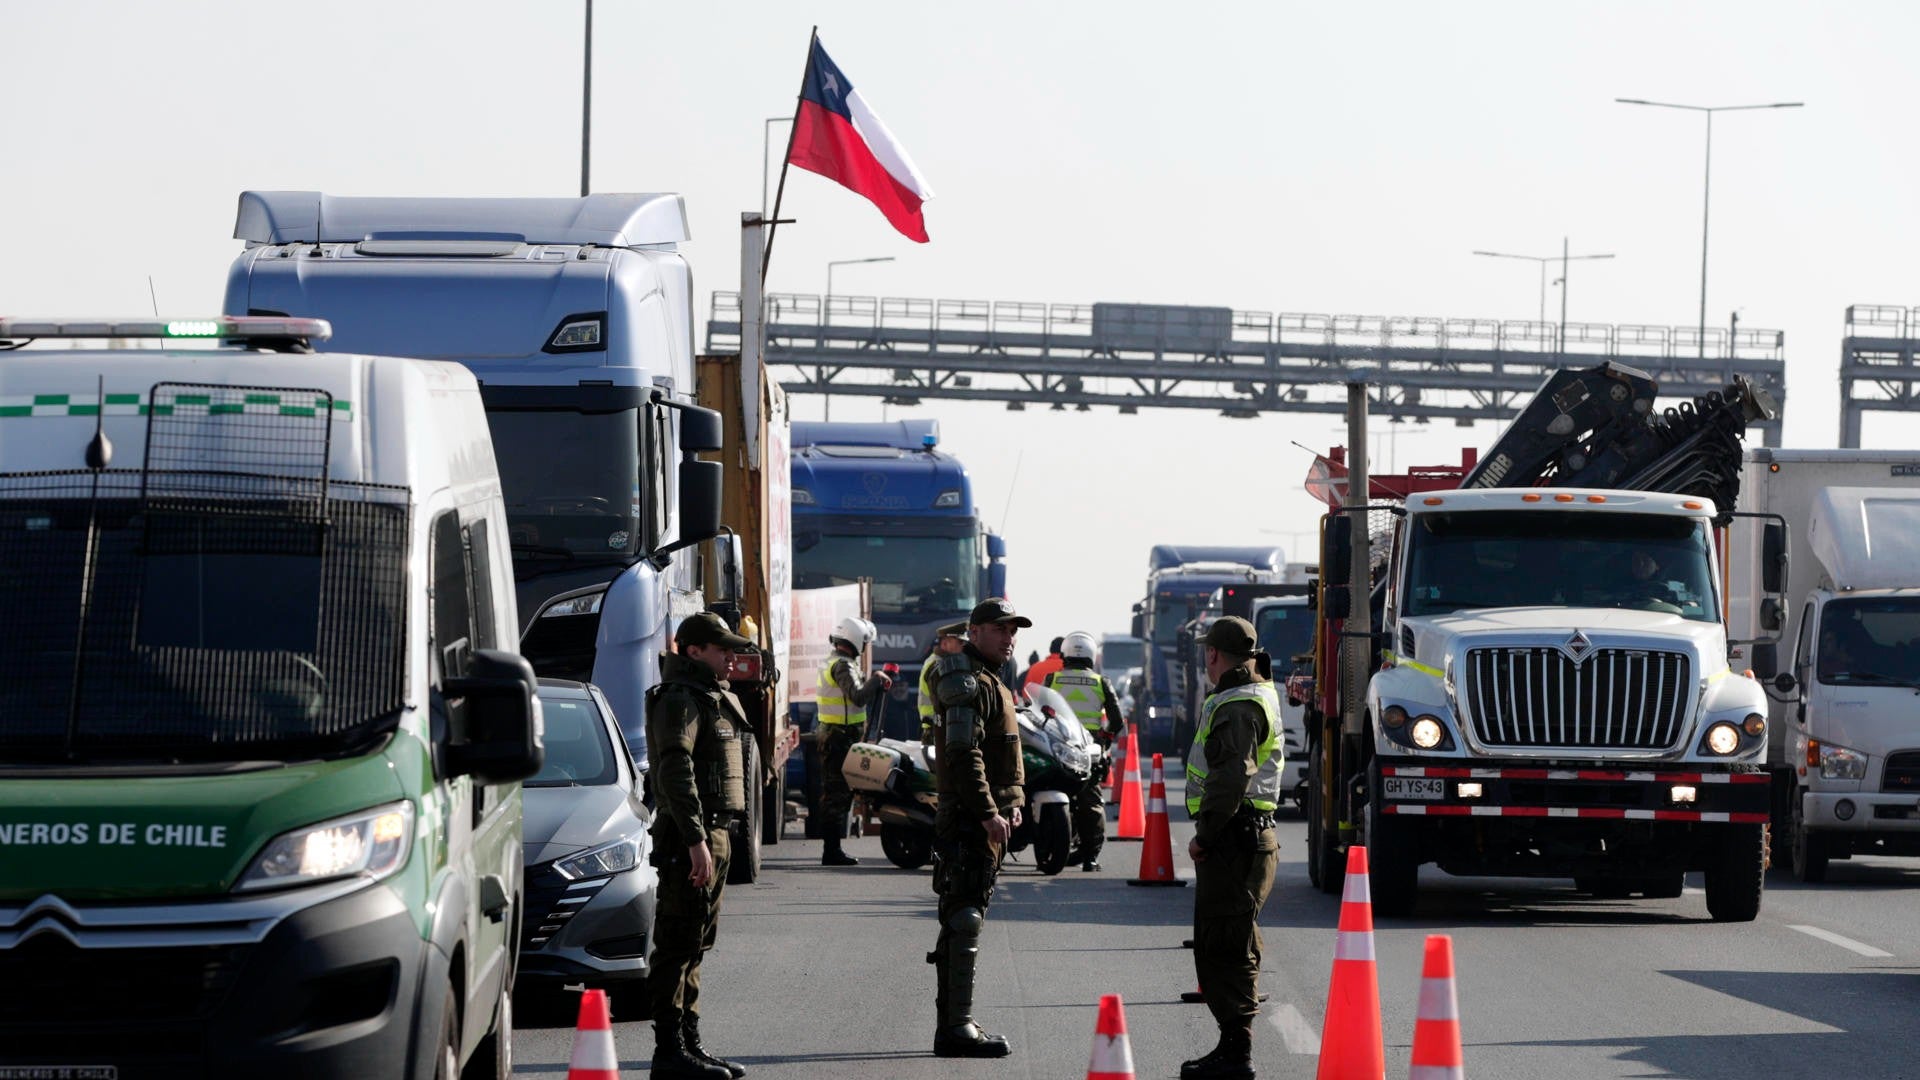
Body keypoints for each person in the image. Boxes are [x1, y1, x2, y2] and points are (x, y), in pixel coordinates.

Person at [645, 612, 755, 1080]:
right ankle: (669, 1053)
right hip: (694, 836)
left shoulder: (710, 697)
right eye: (721, 649)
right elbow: (675, 769)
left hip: (715, 833)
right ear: (693, 652)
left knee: (695, 942)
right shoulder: (681, 699)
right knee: (677, 942)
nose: (732, 657)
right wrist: (694, 840)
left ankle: (691, 1044)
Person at [927, 597, 1029, 1058]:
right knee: (963, 920)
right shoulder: (963, 678)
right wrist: (989, 811)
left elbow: (1002, 753)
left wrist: (1014, 802)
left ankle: (957, 1022)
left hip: (985, 816)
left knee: (968, 917)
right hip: (968, 819)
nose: (1009, 638)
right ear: (975, 630)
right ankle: (955, 1028)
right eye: (1000, 629)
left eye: (1013, 630)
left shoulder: (992, 679)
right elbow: (963, 754)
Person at [1181, 616, 1281, 1080]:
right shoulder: (1253, 692)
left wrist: (1205, 836)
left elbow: (1229, 777)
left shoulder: (1237, 703)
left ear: (1213, 655)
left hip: (1234, 838)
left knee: (1226, 944)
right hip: (1244, 835)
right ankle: (1232, 1048)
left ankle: (1236, 1055)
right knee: (1232, 939)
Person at [1044, 630, 1126, 871]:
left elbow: (1037, 710)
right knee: (1091, 801)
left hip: (1058, 746)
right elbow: (1117, 720)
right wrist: (1105, 739)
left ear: (1065, 653)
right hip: (1089, 749)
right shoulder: (1102, 682)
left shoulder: (1053, 679)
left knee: (1047, 791)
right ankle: (1090, 857)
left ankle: (1049, 846)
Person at [816, 616, 892, 866]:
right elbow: (858, 697)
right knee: (836, 795)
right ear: (855, 640)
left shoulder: (837, 662)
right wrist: (877, 678)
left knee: (837, 793)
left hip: (837, 735)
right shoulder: (843, 666)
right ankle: (831, 851)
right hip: (838, 737)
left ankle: (833, 849)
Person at [919, 621, 969, 746]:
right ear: (945, 643)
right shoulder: (938, 666)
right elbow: (951, 698)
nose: (964, 646)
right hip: (937, 731)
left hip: (940, 728)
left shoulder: (943, 663)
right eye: (960, 642)